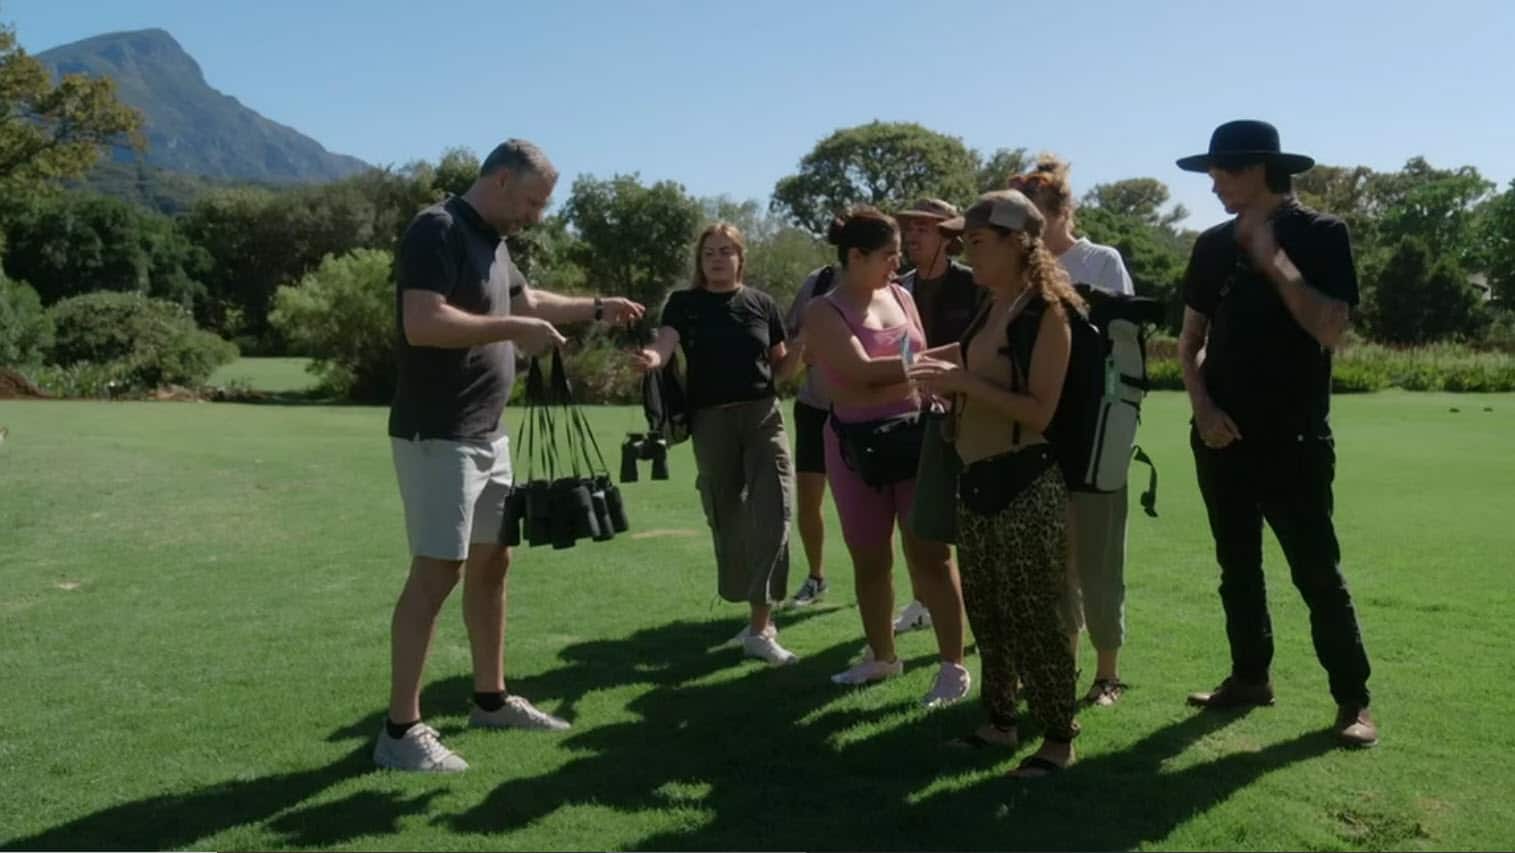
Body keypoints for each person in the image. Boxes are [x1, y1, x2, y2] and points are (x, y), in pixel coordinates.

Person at [379, 139, 645, 772]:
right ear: (500, 180)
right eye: (532, 201)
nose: (536, 215)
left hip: (488, 433)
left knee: (494, 562)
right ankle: (400, 730)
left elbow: (527, 303)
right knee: (437, 571)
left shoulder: (492, 240)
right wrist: (512, 330)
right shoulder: (438, 229)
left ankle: (491, 700)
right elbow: (423, 321)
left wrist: (596, 308)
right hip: (438, 433)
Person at [1175, 119, 1377, 748]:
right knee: (1236, 568)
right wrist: (1203, 409)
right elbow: (1190, 341)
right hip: (1220, 436)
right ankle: (1249, 678)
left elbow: (1330, 329)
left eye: (1220, 174)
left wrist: (1274, 260)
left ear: (1257, 171)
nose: (1212, 187)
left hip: (1295, 440)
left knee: (1317, 573)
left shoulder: (1322, 235)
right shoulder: (1211, 245)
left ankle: (1353, 701)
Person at [909, 189, 1082, 778]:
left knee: (1036, 618)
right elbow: (965, 359)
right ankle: (1000, 723)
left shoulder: (1046, 313)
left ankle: (1058, 739)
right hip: (976, 480)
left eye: (977, 242)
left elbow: (1039, 412)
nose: (966, 253)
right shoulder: (993, 306)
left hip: (1026, 483)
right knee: (987, 613)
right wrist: (922, 368)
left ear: (1018, 242)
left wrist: (961, 383)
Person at [804, 206, 970, 706]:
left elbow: (904, 365)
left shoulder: (901, 295)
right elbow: (860, 372)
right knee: (870, 558)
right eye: (888, 256)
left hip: (915, 438)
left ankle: (953, 668)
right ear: (855, 257)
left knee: (932, 555)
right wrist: (956, 357)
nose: (897, 265)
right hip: (855, 449)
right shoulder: (823, 310)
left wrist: (933, 370)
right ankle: (882, 656)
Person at [632, 223, 804, 666]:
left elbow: (782, 369)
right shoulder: (684, 303)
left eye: (726, 251)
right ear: (700, 260)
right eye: (709, 252)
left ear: (740, 257)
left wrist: (806, 346)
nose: (717, 258)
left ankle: (761, 625)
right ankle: (750, 610)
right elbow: (665, 343)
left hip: (763, 416)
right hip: (710, 421)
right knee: (727, 516)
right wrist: (652, 358)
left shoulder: (761, 303)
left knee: (775, 509)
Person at [1011, 155, 1136, 707]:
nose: (1028, 230)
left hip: (1096, 433)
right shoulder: (1017, 269)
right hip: (1034, 432)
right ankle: (1059, 666)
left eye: (1035, 216)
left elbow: (1122, 346)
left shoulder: (1101, 261)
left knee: (1099, 562)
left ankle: (1107, 675)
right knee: (1048, 564)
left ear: (1063, 212)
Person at [889, 198, 987, 634]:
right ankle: (922, 601)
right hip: (911, 414)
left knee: (967, 521)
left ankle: (974, 609)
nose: (912, 235)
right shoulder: (898, 288)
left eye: (923, 228)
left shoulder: (973, 283)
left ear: (948, 238)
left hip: (966, 416)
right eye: (908, 228)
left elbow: (982, 347)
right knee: (917, 520)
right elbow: (897, 345)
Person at [782, 266, 835, 606]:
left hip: (862, 410)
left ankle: (877, 580)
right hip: (814, 407)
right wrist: (803, 349)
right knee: (809, 499)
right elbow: (792, 341)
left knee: (870, 505)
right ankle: (817, 578)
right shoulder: (819, 281)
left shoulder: (885, 281)